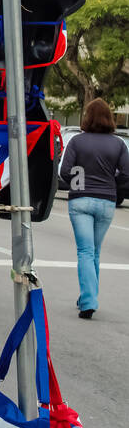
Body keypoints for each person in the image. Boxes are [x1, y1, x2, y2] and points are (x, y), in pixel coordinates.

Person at [58, 97, 129, 319]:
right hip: (106, 200)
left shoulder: (77, 141)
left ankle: (88, 300)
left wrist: (80, 181)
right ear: (109, 118)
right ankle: (87, 298)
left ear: (87, 117)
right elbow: (127, 173)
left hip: (80, 200)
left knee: (86, 252)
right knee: (94, 252)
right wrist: (111, 184)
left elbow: (65, 171)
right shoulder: (118, 144)